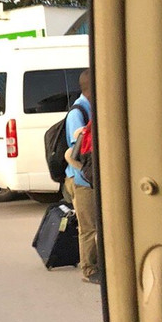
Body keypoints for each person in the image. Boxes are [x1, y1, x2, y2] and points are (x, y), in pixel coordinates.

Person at [64, 69, 100, 284]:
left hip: (90, 177)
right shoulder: (78, 112)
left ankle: (97, 264)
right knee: (88, 227)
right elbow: (75, 151)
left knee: (97, 225)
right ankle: (89, 269)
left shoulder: (91, 108)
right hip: (81, 179)